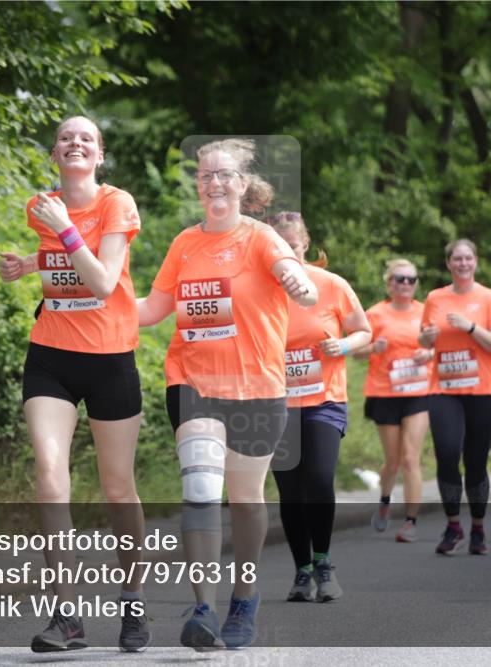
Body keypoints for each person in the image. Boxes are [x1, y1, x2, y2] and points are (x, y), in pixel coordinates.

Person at [137, 138, 317, 650]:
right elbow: (153, 309)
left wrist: (296, 281)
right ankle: (204, 608)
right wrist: (100, 305)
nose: (214, 183)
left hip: (257, 384)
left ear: (242, 185)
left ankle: (245, 594)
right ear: (199, 186)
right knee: (198, 486)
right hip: (193, 380)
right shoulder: (184, 244)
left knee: (245, 497)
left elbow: (290, 272)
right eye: (205, 176)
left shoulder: (261, 238)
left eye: (224, 175)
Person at [0, 116, 150, 653]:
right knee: (49, 474)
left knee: (117, 489)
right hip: (51, 357)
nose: (76, 142)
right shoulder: (42, 206)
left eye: (87, 137)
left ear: (100, 154)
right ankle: (66, 615)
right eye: (66, 137)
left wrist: (62, 231)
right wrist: (30, 263)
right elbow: (65, 262)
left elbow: (105, 280)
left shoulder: (117, 203)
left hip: (111, 359)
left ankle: (132, 600)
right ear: (55, 154)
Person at [267, 211, 371, 602]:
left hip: (324, 399)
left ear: (305, 244)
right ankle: (301, 571)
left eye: (292, 246)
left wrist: (343, 345)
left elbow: (364, 330)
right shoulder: (261, 288)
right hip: (276, 404)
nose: (287, 255)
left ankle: (324, 563)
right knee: (290, 491)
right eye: (279, 247)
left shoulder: (330, 285)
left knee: (319, 479)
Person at [419, 239, 491, 556]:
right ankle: (454, 524)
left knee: (475, 461)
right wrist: (425, 338)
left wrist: (471, 327)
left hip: (483, 390)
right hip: (444, 389)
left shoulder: (487, 298)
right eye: (456, 259)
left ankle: (479, 529)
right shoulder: (435, 298)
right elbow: (424, 339)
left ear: (475, 262)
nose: (462, 263)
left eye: (467, 258)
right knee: (446, 453)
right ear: (448, 264)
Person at [355, 259, 432, 542]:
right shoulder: (375, 314)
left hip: (417, 392)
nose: (405, 284)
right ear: (389, 283)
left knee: (411, 458)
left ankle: (410, 521)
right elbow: (356, 352)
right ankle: (385, 500)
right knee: (393, 462)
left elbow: (442, 346)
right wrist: (374, 347)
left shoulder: (426, 312)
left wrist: (430, 354)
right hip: (384, 393)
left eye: (411, 280)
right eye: (400, 279)